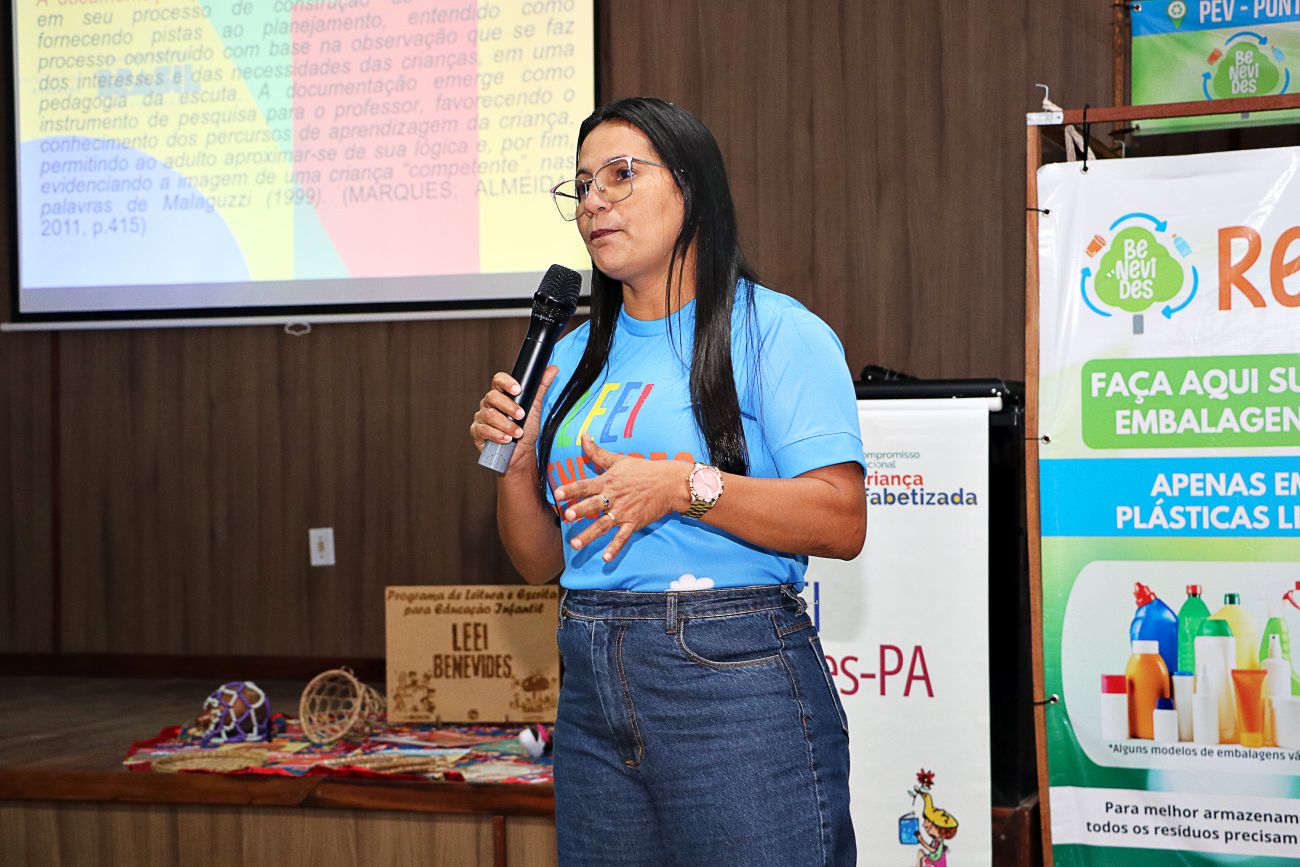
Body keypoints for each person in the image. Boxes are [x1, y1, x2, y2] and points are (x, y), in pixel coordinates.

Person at [470, 97, 866, 866]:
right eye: (582, 184)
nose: (594, 201)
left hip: (731, 680)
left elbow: (842, 518)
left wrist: (684, 487)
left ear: (692, 188)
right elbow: (540, 561)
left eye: (621, 174)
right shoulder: (568, 356)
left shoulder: (777, 331)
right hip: (589, 678)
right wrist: (515, 470)